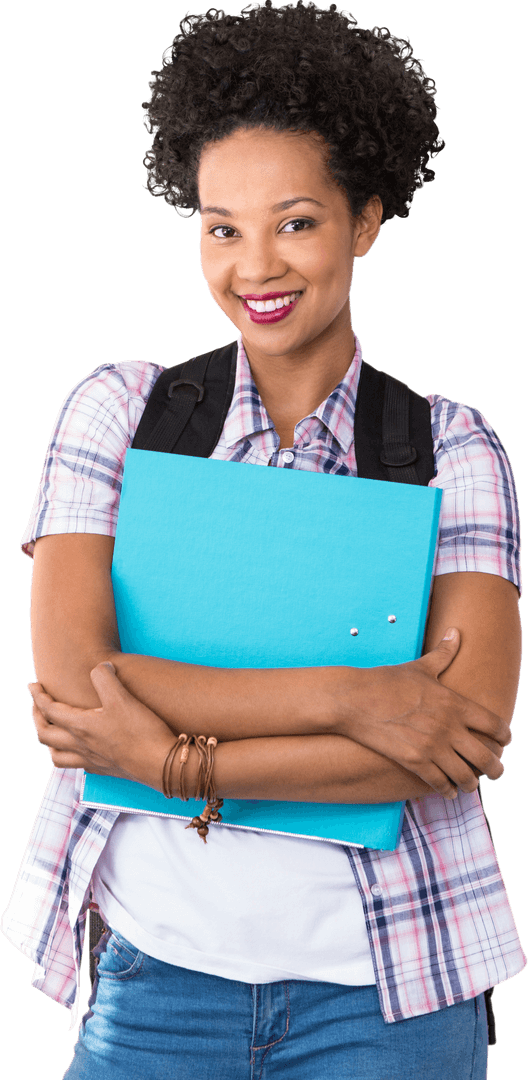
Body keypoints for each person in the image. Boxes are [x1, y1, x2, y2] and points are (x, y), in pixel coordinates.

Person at [1, 3, 525, 1077]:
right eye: (220, 226)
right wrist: (356, 697)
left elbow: (457, 738)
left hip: (388, 999)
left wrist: (170, 757)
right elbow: (78, 686)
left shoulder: (451, 447)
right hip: (155, 987)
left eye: (295, 221)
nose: (255, 266)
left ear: (366, 219)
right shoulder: (120, 411)